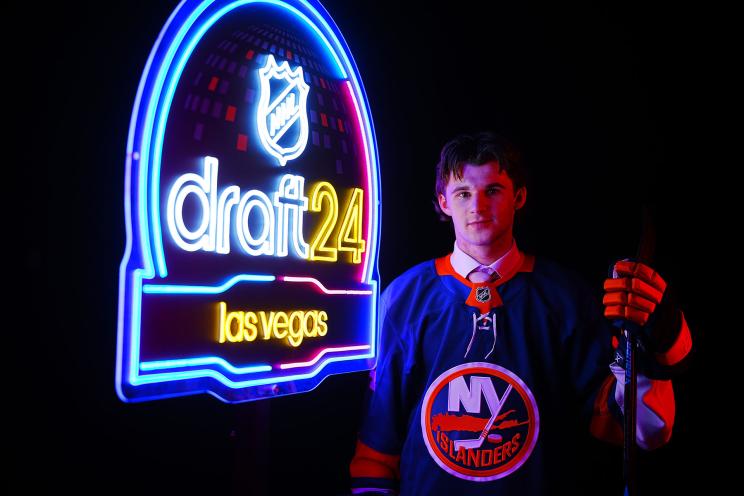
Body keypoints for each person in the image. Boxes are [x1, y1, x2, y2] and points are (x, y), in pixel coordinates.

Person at [349, 132, 692, 495]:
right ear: (443, 201)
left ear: (519, 196)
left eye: (493, 190)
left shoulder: (564, 298)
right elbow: (376, 447)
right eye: (463, 193)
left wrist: (659, 340)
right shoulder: (403, 298)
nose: (477, 206)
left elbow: (646, 432)